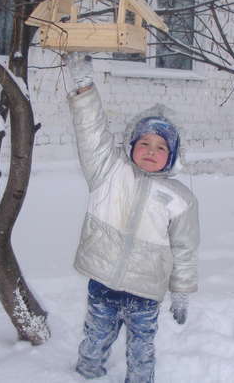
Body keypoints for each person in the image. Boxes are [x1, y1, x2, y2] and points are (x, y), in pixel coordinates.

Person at [64, 53, 200, 382]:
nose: (151, 151)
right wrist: (84, 88)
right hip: (104, 283)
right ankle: (86, 373)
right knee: (95, 338)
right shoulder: (109, 172)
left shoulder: (181, 198)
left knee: (142, 349)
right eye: (145, 142)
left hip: (145, 292)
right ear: (131, 144)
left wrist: (180, 290)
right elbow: (92, 133)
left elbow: (184, 247)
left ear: (173, 155)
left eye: (161, 147)